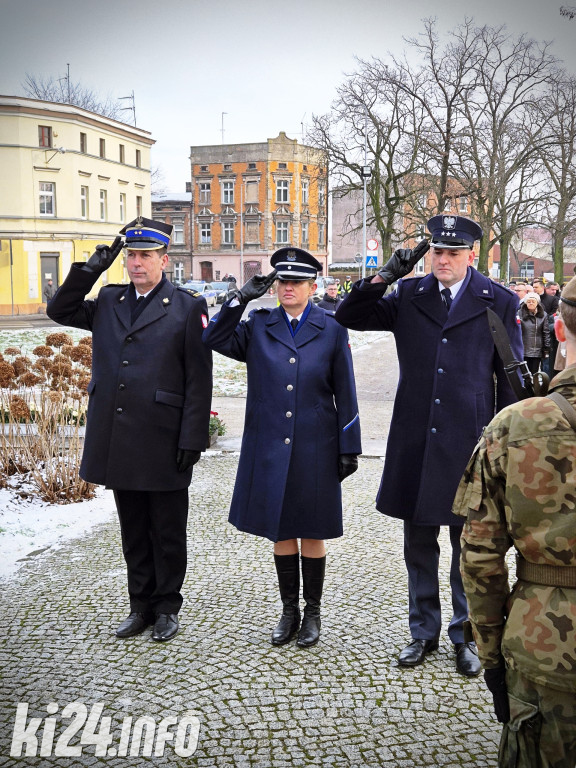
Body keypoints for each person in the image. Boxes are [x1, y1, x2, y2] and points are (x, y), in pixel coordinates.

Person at [335, 214, 522, 676]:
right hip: (416, 438)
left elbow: (511, 382)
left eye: (453, 252)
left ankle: (466, 635)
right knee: (418, 542)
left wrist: (508, 449)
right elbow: (349, 315)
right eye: (437, 251)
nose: (442, 259)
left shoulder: (497, 300)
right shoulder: (410, 295)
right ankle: (423, 631)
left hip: (468, 442)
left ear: (472, 255)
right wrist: (385, 275)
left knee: (467, 545)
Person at [47, 217, 213, 642]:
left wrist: (193, 437)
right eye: (132, 256)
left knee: (168, 532)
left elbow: (199, 379)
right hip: (120, 435)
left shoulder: (187, 306)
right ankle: (140, 606)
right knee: (133, 529)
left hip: (163, 436)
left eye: (145, 256)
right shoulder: (109, 299)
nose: (136, 264)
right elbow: (60, 310)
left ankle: (167, 609)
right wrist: (91, 269)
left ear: (164, 260)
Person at [203, 247, 361, 648]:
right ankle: (288, 610)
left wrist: (349, 445)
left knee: (312, 529)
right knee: (281, 529)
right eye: (282, 281)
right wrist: (239, 298)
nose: (287, 287)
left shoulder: (332, 328)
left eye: (296, 282)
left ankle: (312, 613)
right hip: (270, 442)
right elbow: (214, 336)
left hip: (316, 443)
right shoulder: (259, 325)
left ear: (313, 286)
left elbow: (346, 389)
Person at [454, 276, 576, 768]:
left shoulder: (515, 425)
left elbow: (480, 558)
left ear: (560, 328)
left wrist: (490, 656)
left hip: (545, 644)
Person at [518, 291, 550, 374]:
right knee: (524, 373)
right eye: (528, 301)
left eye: (533, 301)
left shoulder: (543, 315)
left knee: (534, 372)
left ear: (537, 303)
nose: (531, 303)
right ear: (525, 303)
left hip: (537, 348)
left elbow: (545, 332)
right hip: (524, 348)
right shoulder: (519, 314)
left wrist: (546, 348)